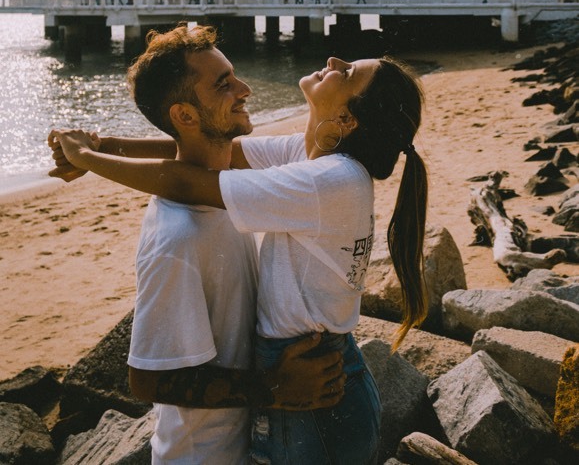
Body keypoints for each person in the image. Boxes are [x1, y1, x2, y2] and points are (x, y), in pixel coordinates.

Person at [51, 39, 429, 465]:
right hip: (308, 378)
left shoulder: (328, 180)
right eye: (225, 82)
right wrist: (100, 146)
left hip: (316, 392)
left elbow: (186, 181)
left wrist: (86, 157)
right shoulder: (308, 160)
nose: (333, 60)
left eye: (347, 72)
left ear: (345, 117)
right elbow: (221, 155)